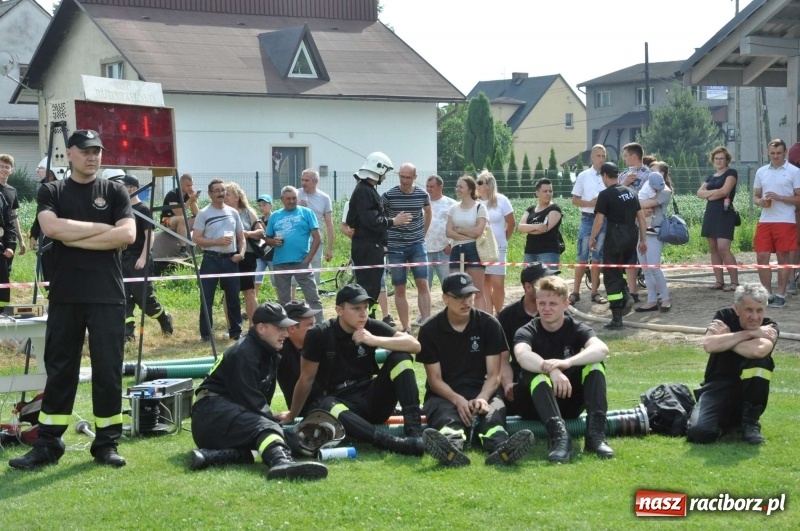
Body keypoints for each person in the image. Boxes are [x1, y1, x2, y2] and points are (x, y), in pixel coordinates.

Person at [9, 130, 135, 470]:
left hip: (107, 294)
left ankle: (106, 443)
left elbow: (127, 234)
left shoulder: (114, 190)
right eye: (85, 151)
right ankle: (49, 443)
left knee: (108, 370)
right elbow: (50, 228)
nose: (93, 156)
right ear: (70, 154)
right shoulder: (52, 189)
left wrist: (75, 237)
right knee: (61, 368)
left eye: (97, 151)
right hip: (66, 294)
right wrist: (100, 230)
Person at [277, 284, 424, 457]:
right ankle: (390, 442)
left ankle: (414, 433)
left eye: (366, 308)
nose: (363, 313)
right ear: (339, 310)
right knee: (326, 404)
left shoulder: (370, 326)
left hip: (372, 397)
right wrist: (292, 414)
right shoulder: (319, 334)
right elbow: (306, 379)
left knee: (400, 357)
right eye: (355, 308)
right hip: (343, 404)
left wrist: (374, 339)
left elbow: (415, 345)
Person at [189, 302, 328, 480]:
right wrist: (275, 427)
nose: (285, 333)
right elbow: (254, 405)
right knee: (268, 429)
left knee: (289, 440)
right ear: (261, 328)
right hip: (211, 415)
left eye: (286, 328)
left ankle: (209, 457)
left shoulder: (265, 350)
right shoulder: (245, 353)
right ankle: (280, 463)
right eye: (280, 328)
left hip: (220, 418)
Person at [418, 272, 534, 467]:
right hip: (444, 394)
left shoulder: (489, 324)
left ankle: (501, 449)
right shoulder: (430, 329)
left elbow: (494, 375)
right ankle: (451, 449)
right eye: (459, 296)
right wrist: (457, 399)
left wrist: (482, 397)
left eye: (470, 295)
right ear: (445, 298)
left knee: (493, 417)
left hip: (484, 389)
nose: (467, 301)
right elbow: (435, 380)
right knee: (448, 419)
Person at [512, 275, 615, 461]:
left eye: (553, 303)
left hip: (569, 401)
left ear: (566, 305)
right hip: (534, 406)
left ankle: (596, 437)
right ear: (536, 303)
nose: (546, 308)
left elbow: (601, 349)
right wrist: (551, 369)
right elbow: (522, 355)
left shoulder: (576, 328)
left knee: (595, 365)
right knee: (535, 373)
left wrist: (567, 363)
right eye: (542, 303)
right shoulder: (527, 330)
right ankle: (560, 440)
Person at [687, 284, 777, 445]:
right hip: (716, 388)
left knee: (759, 361)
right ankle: (731, 422)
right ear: (736, 308)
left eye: (759, 310)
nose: (755, 317)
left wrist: (727, 338)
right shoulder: (723, 316)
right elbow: (709, 345)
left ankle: (750, 423)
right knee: (699, 433)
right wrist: (748, 334)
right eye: (749, 310)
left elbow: (758, 351)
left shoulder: (769, 327)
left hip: (748, 392)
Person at [347, 152, 411, 314]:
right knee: (369, 288)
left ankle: (371, 316)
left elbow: (354, 220)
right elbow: (371, 220)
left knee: (374, 288)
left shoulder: (366, 190)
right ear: (379, 170)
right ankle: (367, 318)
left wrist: (382, 244)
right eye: (386, 173)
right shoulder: (365, 191)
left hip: (371, 246)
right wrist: (393, 221)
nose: (385, 177)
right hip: (367, 247)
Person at [589, 162, 647, 329]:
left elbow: (599, 220)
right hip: (631, 235)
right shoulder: (630, 192)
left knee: (611, 275)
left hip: (615, 236)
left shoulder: (606, 195)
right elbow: (641, 218)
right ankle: (627, 294)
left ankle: (617, 317)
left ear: (605, 175)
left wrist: (592, 238)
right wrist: (643, 240)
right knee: (620, 270)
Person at [117, 174, 173, 341]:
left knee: (144, 299)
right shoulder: (122, 210)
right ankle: (128, 334)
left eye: (124, 187)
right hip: (123, 259)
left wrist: (142, 258)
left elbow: (150, 237)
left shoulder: (143, 210)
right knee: (124, 298)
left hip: (139, 258)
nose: (121, 190)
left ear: (134, 189)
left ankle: (164, 317)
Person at [193, 178, 246, 342]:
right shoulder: (203, 213)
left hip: (230, 260)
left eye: (223, 190)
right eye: (217, 191)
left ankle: (236, 332)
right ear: (210, 194)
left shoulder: (233, 212)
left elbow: (241, 238)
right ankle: (206, 334)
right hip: (210, 260)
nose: (221, 193)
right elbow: (196, 239)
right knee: (206, 297)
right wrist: (217, 242)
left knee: (233, 297)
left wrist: (242, 253)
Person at [382, 162, 431, 331]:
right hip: (395, 246)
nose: (404, 180)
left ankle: (426, 322)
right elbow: (381, 218)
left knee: (422, 283)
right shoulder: (388, 195)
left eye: (408, 177)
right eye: (402, 176)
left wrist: (423, 234)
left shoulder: (422, 195)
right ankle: (405, 326)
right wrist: (385, 240)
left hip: (417, 244)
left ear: (415, 178)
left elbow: (428, 212)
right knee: (399, 286)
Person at [265, 186, 324, 323]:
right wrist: (273, 241)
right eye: (288, 199)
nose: (291, 201)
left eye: (294, 198)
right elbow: (267, 238)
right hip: (280, 262)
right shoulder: (275, 216)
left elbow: (317, 238)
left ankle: (320, 327)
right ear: (282, 200)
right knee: (284, 300)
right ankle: (288, 327)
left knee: (312, 297)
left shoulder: (306, 213)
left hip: (301, 262)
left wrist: (308, 258)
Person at [752, 139, 800, 308]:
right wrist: (760, 202)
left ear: (785, 152)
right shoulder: (761, 171)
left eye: (779, 153)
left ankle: (780, 294)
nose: (775, 157)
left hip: (785, 220)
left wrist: (779, 197)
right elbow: (756, 195)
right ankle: (767, 294)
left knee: (783, 258)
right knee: (761, 256)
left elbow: (798, 198)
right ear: (768, 152)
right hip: (766, 219)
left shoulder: (794, 171)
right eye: (772, 153)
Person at [497, 263, 555, 396]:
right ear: (528, 287)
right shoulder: (507, 316)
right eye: (546, 283)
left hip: (555, 374)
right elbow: (502, 359)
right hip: (522, 377)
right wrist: (508, 385)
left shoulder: (559, 312)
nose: (552, 287)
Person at [341, 201, 394, 326]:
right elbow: (343, 226)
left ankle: (386, 315)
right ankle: (368, 315)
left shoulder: (377, 203)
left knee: (379, 284)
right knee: (362, 286)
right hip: (359, 252)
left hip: (376, 250)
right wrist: (348, 232)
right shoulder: (350, 204)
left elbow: (383, 226)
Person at [698, 147, 740, 292]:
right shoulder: (710, 177)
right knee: (713, 248)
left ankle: (734, 282)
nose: (719, 161)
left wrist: (709, 195)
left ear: (727, 159)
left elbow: (725, 191)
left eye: (722, 158)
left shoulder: (731, 173)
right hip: (711, 213)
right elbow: (699, 193)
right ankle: (719, 281)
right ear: (713, 160)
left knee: (723, 248)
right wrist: (715, 193)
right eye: (716, 158)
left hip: (725, 213)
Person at [571, 145, 608, 305]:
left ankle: (594, 292)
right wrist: (590, 203)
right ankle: (575, 292)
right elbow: (574, 200)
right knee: (582, 256)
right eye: (598, 156)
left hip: (604, 219)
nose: (601, 159)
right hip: (587, 219)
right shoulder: (583, 176)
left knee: (597, 258)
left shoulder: (609, 175)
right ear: (592, 157)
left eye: (603, 156)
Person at [446, 175, 489, 312]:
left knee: (477, 291)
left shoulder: (480, 207)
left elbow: (478, 231)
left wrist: (460, 230)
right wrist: (466, 233)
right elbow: (448, 232)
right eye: (457, 186)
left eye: (461, 186)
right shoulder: (453, 208)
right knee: (456, 290)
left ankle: (482, 322)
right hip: (456, 250)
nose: (457, 189)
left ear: (470, 189)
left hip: (474, 250)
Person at [276, 300, 324, 417]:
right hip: (309, 412)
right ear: (292, 328)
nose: (316, 328)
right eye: (310, 325)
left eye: (314, 323)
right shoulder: (278, 351)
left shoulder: (322, 342)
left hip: (333, 402)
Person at [635, 168, 673, 312]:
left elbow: (641, 204)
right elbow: (640, 204)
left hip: (654, 233)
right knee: (645, 268)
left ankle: (665, 298)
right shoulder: (650, 188)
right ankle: (651, 300)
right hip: (641, 231)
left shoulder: (665, 191)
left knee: (654, 267)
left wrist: (640, 204)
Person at [224, 182, 264, 321]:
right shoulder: (221, 212)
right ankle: (232, 328)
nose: (224, 197)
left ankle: (253, 328)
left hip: (248, 255)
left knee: (250, 292)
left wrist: (246, 234)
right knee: (229, 293)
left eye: (227, 194)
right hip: (227, 256)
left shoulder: (248, 212)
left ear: (237, 197)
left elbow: (260, 232)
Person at [477, 171, 515, 314]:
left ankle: (500, 313)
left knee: (498, 284)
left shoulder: (502, 200)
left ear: (488, 185)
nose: (477, 185)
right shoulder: (475, 201)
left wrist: (504, 239)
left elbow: (511, 223)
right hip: (481, 248)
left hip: (498, 247)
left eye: (480, 182)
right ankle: (489, 315)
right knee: (484, 283)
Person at [617, 142, 649, 302]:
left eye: (625, 156)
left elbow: (653, 197)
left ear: (634, 157)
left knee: (645, 256)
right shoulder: (622, 176)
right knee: (628, 256)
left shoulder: (650, 175)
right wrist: (625, 184)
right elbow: (613, 195)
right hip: (624, 224)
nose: (624, 159)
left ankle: (653, 290)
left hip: (643, 222)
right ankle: (633, 292)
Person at [298, 168, 335, 285]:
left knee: (314, 274)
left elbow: (329, 224)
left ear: (315, 182)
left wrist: (329, 248)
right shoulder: (295, 194)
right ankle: (292, 302)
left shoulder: (324, 198)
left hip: (316, 241)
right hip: (297, 240)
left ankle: (313, 301)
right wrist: (297, 206)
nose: (303, 183)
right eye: (302, 180)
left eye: (307, 180)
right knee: (294, 275)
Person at [519, 178, 563, 271]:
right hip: (530, 252)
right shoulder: (530, 209)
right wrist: (536, 226)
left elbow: (544, 229)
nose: (548, 193)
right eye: (545, 191)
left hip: (548, 252)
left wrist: (529, 228)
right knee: (530, 282)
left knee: (548, 283)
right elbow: (520, 228)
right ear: (537, 193)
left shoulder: (555, 209)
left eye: (550, 191)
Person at [425, 175, 456, 288]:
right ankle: (425, 306)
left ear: (440, 187)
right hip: (425, 251)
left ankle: (451, 306)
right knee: (425, 286)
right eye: (427, 186)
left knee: (448, 285)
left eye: (432, 186)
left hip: (444, 251)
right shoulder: (422, 203)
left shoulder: (451, 204)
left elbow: (456, 226)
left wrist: (450, 244)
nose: (428, 189)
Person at [162, 173, 201, 257]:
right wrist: (190, 201)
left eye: (191, 185)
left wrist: (193, 200)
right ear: (181, 184)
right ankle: (183, 249)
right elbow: (178, 213)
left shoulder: (188, 195)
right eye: (188, 185)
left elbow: (196, 213)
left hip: (180, 221)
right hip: (165, 221)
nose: (190, 188)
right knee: (181, 218)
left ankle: (198, 243)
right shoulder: (172, 194)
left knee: (199, 218)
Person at [0, 154, 26, 265]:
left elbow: (14, 216)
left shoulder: (12, 191)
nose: (4, 169)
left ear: (12, 170)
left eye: (7, 167)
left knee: (7, 270)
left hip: (9, 237)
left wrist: (20, 239)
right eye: (1, 166)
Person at [253, 194, 275, 293]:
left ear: (270, 205)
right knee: (256, 280)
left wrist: (264, 229)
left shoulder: (275, 218)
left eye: (264, 205)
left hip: (273, 255)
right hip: (260, 254)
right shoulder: (259, 220)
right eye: (260, 205)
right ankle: (254, 304)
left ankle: (282, 304)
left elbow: (273, 237)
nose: (261, 207)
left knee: (276, 282)